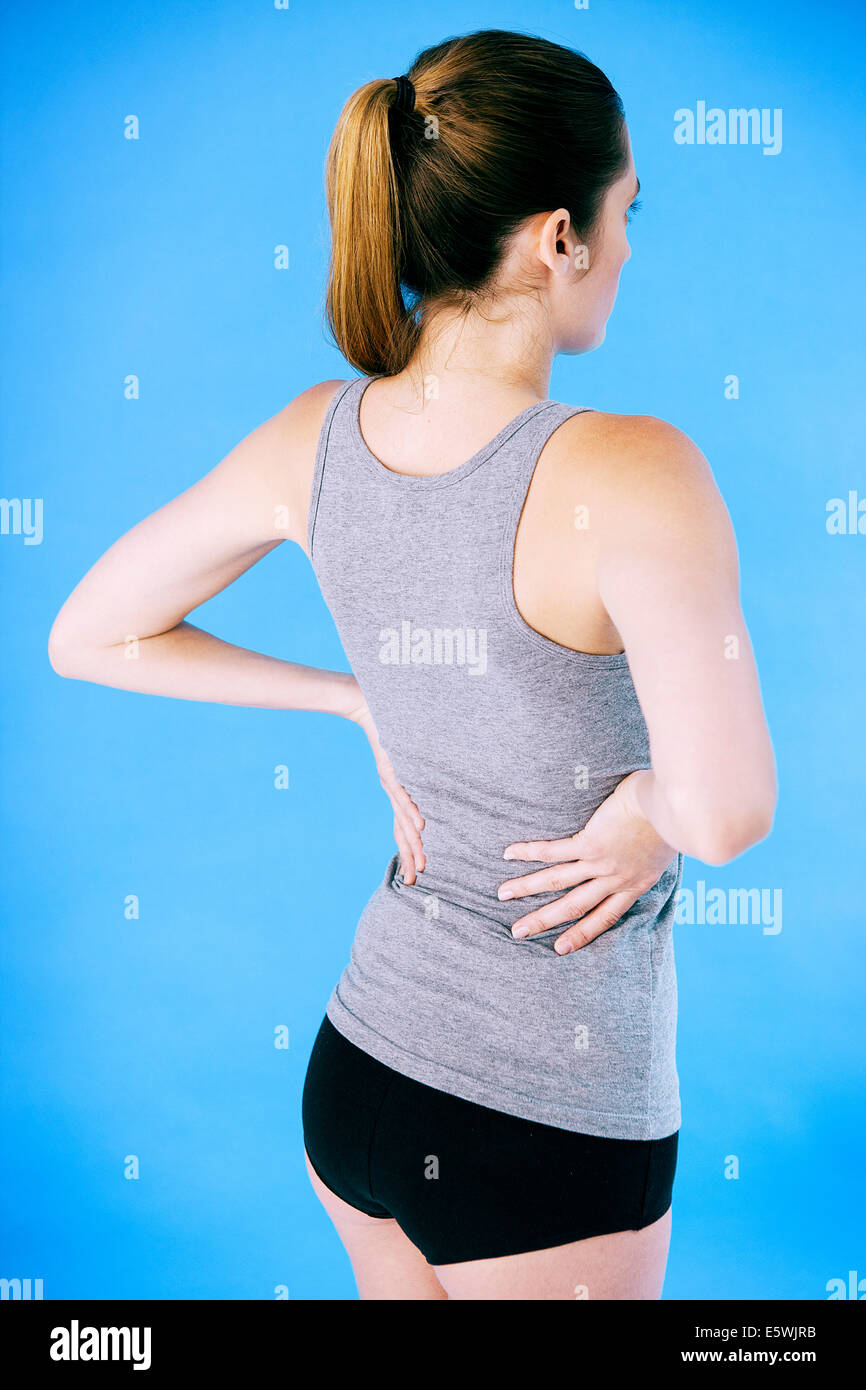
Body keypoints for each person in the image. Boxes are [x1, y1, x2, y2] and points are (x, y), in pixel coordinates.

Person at [49, 29, 777, 1300]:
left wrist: (354, 699)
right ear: (560, 237)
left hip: (359, 1076)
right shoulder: (634, 466)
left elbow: (88, 633)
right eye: (626, 211)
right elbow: (726, 812)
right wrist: (650, 814)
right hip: (544, 1126)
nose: (625, 249)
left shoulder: (312, 435)